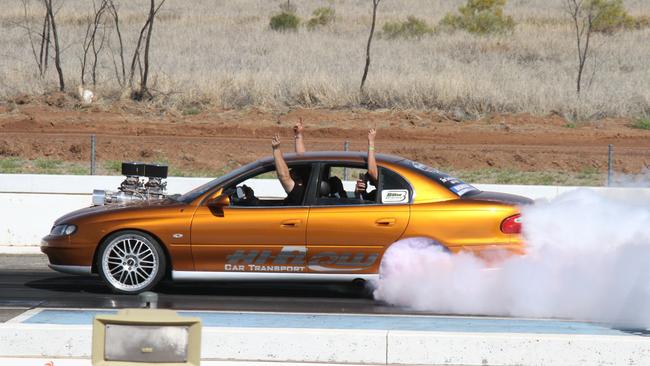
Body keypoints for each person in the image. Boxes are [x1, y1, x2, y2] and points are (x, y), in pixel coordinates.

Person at [272, 133, 309, 205]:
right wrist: (298, 135)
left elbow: (284, 177)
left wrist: (276, 149)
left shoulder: (299, 193)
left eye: (292, 172)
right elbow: (302, 160)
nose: (290, 172)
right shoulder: (309, 191)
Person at [355, 129, 378, 200]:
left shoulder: (378, 194)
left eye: (367, 176)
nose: (367, 177)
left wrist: (371, 142)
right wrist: (358, 192)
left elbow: (372, 171)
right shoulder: (374, 193)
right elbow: (363, 202)